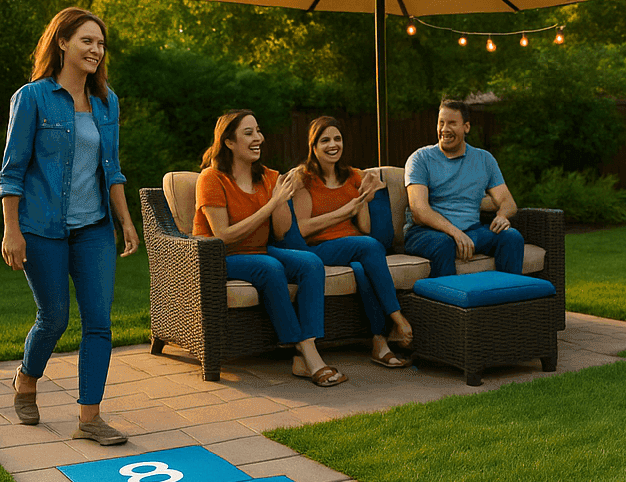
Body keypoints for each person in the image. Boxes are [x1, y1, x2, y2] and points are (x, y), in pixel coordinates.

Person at [0, 7, 140, 445]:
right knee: (54, 317)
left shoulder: (106, 101)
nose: (96, 50)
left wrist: (125, 221)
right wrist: (11, 230)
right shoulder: (33, 97)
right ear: (62, 42)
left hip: (94, 227)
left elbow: (111, 168)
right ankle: (26, 378)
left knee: (99, 322)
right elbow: (12, 171)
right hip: (41, 228)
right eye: (87, 41)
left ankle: (90, 418)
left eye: (101, 43)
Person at [192, 110, 348, 386]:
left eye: (259, 131)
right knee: (271, 267)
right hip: (220, 256)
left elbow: (279, 232)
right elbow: (223, 235)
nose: (258, 138)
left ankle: (305, 349)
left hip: (260, 250)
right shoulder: (211, 178)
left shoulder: (268, 176)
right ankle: (306, 351)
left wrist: (281, 200)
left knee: (310, 263)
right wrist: (270, 204)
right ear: (229, 142)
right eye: (248, 133)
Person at [291, 116, 415, 368]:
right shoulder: (304, 178)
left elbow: (365, 228)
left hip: (354, 248)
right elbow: (302, 228)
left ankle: (379, 343)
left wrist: (365, 197)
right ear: (313, 147)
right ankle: (397, 317)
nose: (333, 144)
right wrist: (344, 211)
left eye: (337, 139)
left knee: (362, 268)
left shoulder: (353, 176)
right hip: (319, 249)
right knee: (369, 247)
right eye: (325, 140)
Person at [402, 99, 524, 277]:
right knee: (444, 243)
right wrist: (455, 234)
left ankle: (508, 298)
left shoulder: (484, 159)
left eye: (452, 123)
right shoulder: (420, 159)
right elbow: (419, 210)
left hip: (472, 230)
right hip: (426, 233)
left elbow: (508, 201)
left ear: (466, 127)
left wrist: (502, 215)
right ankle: (447, 303)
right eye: (441, 123)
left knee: (511, 237)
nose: (444, 129)